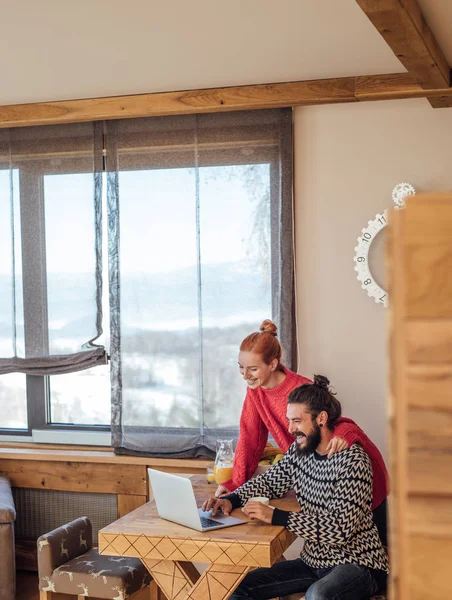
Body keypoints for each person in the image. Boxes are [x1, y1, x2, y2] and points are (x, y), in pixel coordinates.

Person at [204, 376, 389, 600]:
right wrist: (232, 499)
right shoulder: (299, 451)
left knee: (318, 595)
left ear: (321, 418)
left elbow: (340, 530)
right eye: (289, 420)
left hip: (358, 563)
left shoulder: (352, 461)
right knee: (239, 586)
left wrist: (277, 516)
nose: (290, 428)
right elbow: (269, 482)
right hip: (313, 562)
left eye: (297, 421)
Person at [216, 320, 389, 547]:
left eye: (253, 368)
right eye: (241, 367)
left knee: (375, 550)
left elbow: (338, 421)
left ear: (273, 364)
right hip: (309, 470)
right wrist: (234, 488)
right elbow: (249, 439)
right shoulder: (256, 392)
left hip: (353, 476)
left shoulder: (300, 390)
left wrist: (346, 435)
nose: (245, 375)